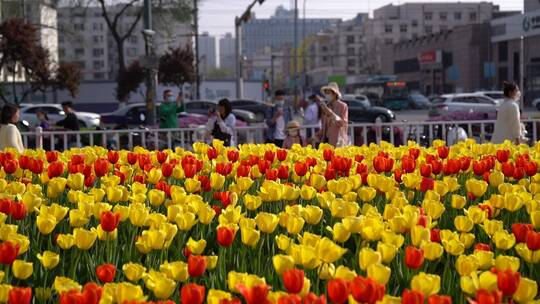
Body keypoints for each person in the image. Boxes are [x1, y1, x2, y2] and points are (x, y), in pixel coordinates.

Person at [317, 82, 349, 147]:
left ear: (335, 94)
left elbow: (342, 123)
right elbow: (324, 127)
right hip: (326, 140)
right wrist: (316, 135)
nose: (326, 95)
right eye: (326, 92)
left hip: (338, 142)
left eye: (328, 92)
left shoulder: (343, 106)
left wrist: (330, 113)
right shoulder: (326, 106)